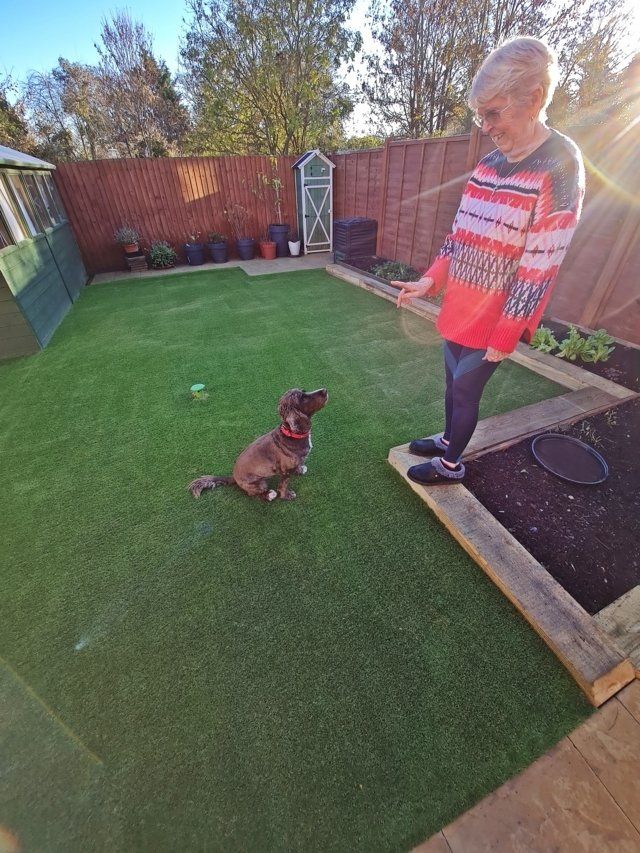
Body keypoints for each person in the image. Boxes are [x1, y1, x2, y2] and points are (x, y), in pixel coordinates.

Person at [393, 36, 584, 485]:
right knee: (451, 383)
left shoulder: (559, 166)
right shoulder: (488, 164)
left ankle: (450, 465)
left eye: (494, 113)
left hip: (497, 315)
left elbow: (543, 262)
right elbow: (460, 235)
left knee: (465, 388)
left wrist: (507, 331)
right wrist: (430, 280)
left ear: (534, 98)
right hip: (460, 305)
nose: (485, 125)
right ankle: (447, 440)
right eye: (481, 114)